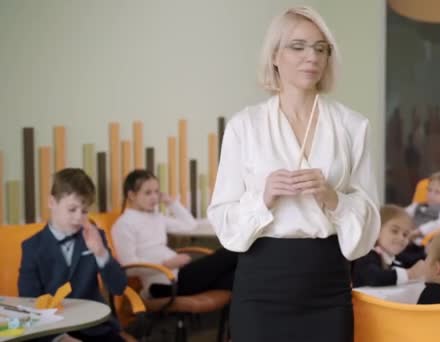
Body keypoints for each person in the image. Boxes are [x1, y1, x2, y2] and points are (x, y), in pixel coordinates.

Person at [207, 6, 380, 342]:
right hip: (261, 285)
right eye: (297, 46)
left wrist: (333, 198)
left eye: (320, 48)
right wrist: (264, 197)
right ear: (274, 55)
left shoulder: (353, 126)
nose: (311, 57)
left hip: (327, 284)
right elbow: (222, 217)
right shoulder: (245, 126)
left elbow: (370, 216)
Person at [19, 168, 127, 342]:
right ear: (52, 202)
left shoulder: (95, 236)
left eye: (84, 211)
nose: (78, 218)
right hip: (51, 331)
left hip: (94, 328)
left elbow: (119, 287)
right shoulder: (32, 247)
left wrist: (101, 253)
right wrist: (60, 338)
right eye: (72, 209)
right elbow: (28, 304)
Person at [112, 169, 237, 298]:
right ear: (132, 195)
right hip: (163, 284)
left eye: (157, 192)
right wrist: (165, 264)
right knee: (231, 252)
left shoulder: (156, 217)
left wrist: (171, 203)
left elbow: (190, 225)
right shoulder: (124, 224)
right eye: (148, 193)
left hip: (179, 273)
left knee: (235, 278)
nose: (154, 197)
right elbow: (129, 268)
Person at [352, 204, 425, 287]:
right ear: (377, 231)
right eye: (394, 231)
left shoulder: (395, 259)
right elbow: (374, 278)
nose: (401, 238)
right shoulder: (367, 255)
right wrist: (409, 274)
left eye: (405, 234)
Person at [398, 171, 440, 266]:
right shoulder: (417, 205)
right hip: (408, 241)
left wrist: (420, 231)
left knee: (409, 257)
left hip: (424, 245)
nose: (431, 194)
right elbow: (402, 214)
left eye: (437, 192)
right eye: (429, 190)